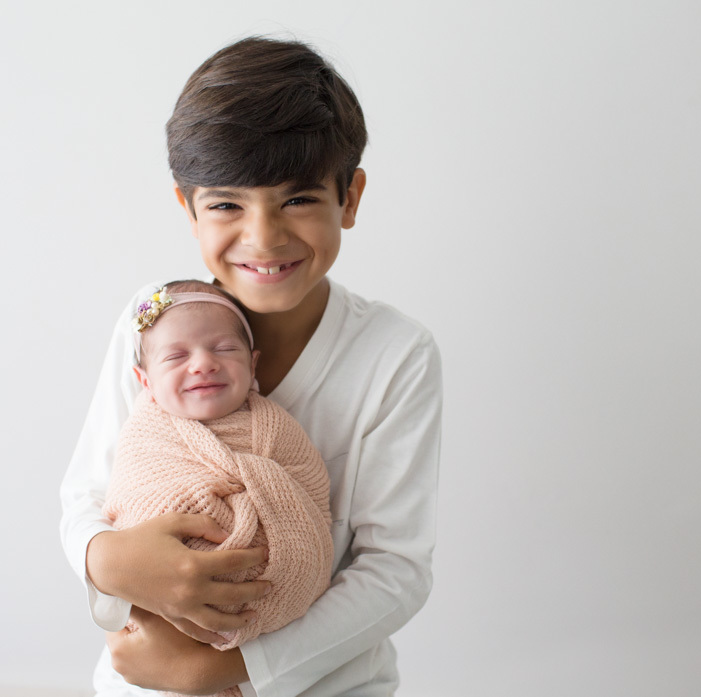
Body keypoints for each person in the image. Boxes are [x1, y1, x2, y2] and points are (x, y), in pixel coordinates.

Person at [60, 36, 442, 697]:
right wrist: (110, 557)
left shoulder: (394, 354)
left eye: (297, 199)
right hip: (146, 680)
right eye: (227, 203)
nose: (263, 237)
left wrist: (226, 669)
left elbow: (395, 570)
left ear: (349, 197)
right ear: (187, 207)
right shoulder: (150, 322)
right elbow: (87, 496)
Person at [105, 279, 335, 697]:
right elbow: (130, 504)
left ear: (253, 365)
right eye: (176, 356)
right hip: (166, 610)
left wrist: (259, 487)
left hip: (275, 607)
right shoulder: (146, 432)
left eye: (224, 349)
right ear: (145, 380)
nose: (202, 364)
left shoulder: (275, 425)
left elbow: (312, 491)